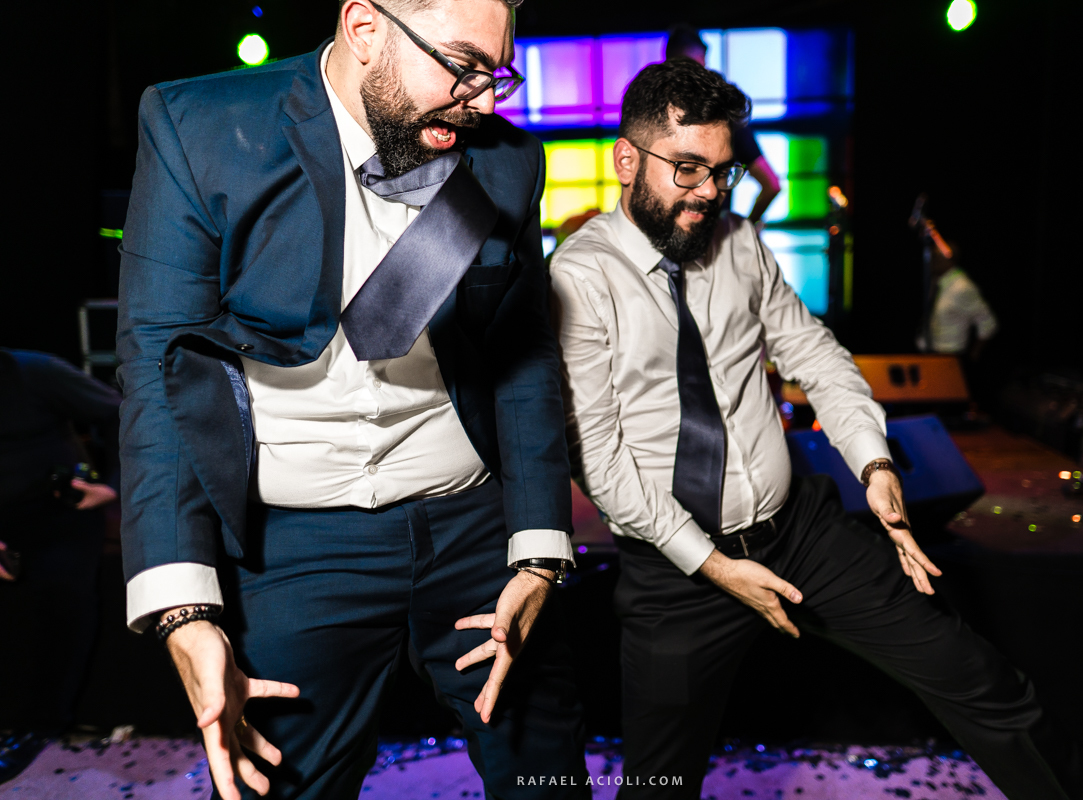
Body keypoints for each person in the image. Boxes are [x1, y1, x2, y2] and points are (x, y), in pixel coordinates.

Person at [549, 59, 1083, 800]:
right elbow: (598, 459)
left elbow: (814, 354)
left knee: (983, 681)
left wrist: (875, 466)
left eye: (722, 172)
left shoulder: (739, 241)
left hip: (800, 533)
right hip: (676, 572)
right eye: (687, 169)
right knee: (660, 781)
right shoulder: (578, 278)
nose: (709, 192)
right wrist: (713, 566)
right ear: (628, 159)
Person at [116, 1, 589, 798]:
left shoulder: (507, 162)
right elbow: (156, 367)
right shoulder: (199, 130)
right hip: (293, 543)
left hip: (470, 521)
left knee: (548, 777)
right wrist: (183, 612)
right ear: (365, 29)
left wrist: (540, 549)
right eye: (464, 67)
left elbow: (526, 356)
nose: (486, 102)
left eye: (499, 74)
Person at [0, 349, 120, 780]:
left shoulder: (35, 372)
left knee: (63, 599)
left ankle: (41, 725)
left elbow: (120, 413)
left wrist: (112, 486)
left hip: (58, 512)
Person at [665, 24, 781, 227]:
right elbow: (771, 184)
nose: (708, 191)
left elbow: (771, 184)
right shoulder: (657, 121)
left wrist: (742, 232)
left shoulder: (728, 120)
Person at [917, 241, 998, 360]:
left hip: (950, 355)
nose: (931, 261)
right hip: (930, 353)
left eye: (935, 257)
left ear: (947, 259)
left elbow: (988, 324)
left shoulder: (962, 287)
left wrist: (974, 354)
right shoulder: (938, 281)